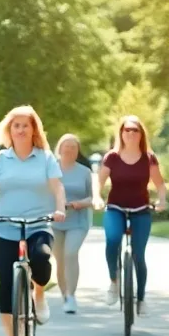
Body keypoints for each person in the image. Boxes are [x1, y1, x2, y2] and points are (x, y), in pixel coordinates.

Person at [0, 106, 66, 336]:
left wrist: (59, 209)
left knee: (40, 258)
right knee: (6, 283)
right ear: (9, 130)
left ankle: (39, 294)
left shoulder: (46, 158)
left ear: (33, 129)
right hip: (6, 226)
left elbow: (57, 188)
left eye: (25, 125)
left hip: (38, 224)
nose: (20, 129)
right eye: (15, 125)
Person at [97, 115, 168, 315]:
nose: (130, 133)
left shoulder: (148, 158)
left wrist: (162, 200)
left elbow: (160, 185)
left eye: (134, 130)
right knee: (112, 241)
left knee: (138, 254)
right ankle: (113, 281)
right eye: (126, 130)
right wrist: (96, 197)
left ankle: (141, 298)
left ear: (141, 134)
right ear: (121, 133)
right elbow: (99, 181)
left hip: (140, 209)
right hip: (115, 207)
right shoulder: (112, 156)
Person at [53, 134, 96, 314]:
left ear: (78, 150)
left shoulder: (85, 172)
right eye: (66, 146)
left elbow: (93, 197)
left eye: (73, 147)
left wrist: (80, 203)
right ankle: (65, 295)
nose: (69, 150)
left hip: (78, 220)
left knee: (71, 253)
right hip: (55, 221)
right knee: (60, 260)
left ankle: (71, 296)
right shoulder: (51, 169)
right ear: (60, 149)